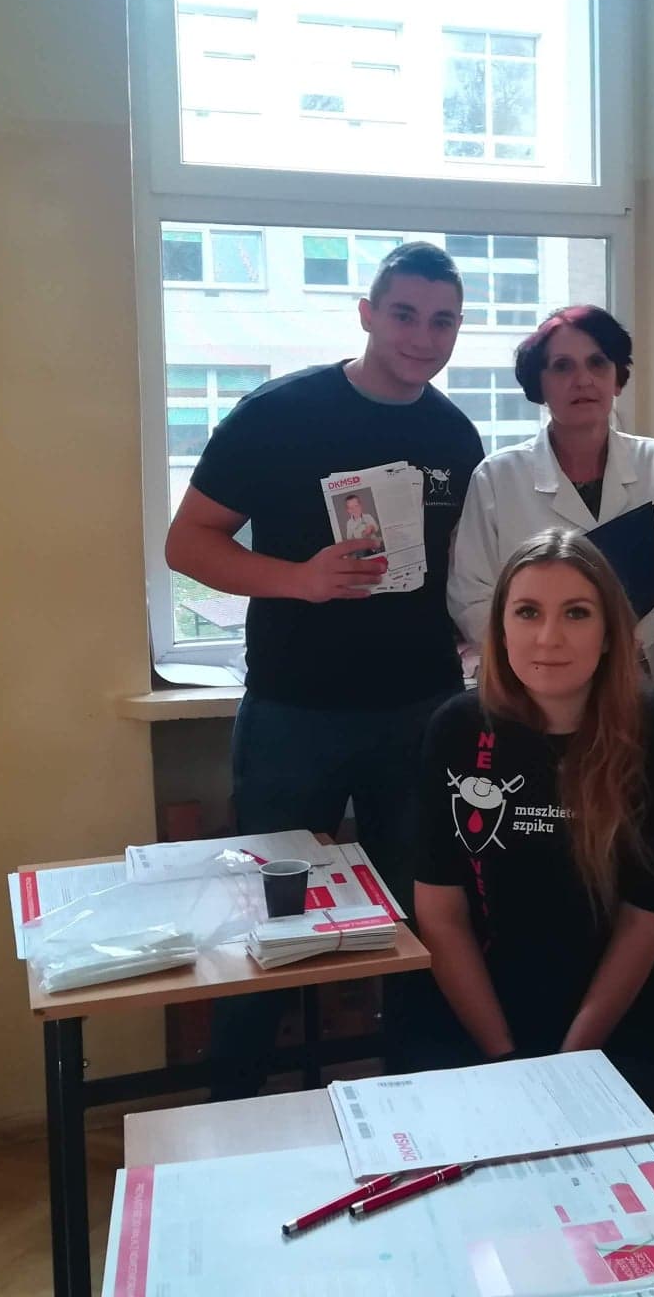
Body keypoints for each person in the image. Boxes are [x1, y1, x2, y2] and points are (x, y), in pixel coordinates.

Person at [165, 240, 484, 1093]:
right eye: (405, 314)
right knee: (267, 924)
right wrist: (300, 580)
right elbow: (186, 544)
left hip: (421, 711)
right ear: (367, 314)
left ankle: (418, 1104)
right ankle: (234, 1110)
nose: (422, 337)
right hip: (293, 714)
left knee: (424, 923)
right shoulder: (279, 414)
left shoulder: (455, 433)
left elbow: (464, 565)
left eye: (443, 321)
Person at [415, 530, 654, 1121]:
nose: (549, 637)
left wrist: (566, 1068)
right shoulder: (458, 729)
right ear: (500, 629)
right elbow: (441, 916)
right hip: (478, 1016)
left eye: (576, 613)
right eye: (528, 612)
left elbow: (645, 920)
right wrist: (505, 1058)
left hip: (619, 1023)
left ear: (610, 633)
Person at [449, 306, 654, 693]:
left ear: (618, 378)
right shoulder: (497, 477)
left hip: (640, 685)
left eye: (597, 363)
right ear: (539, 385)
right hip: (534, 690)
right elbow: (470, 594)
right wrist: (540, 656)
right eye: (562, 366)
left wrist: (629, 654)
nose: (583, 380)